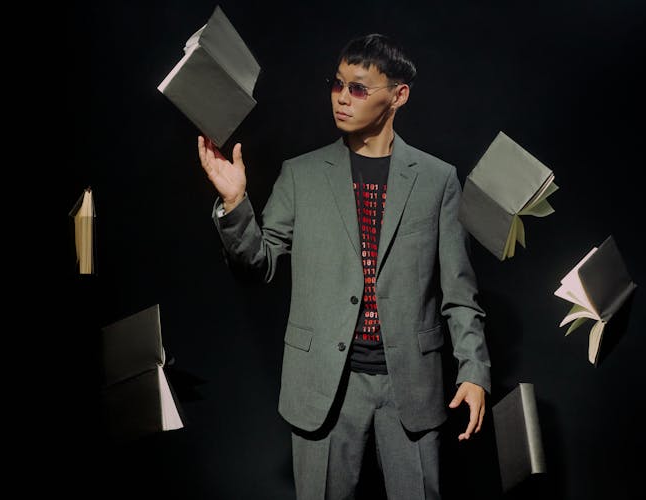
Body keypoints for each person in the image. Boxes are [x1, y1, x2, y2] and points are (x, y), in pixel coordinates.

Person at [198, 33, 491, 500]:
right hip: (324, 386)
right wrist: (235, 203)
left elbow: (459, 293)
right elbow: (260, 265)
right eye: (337, 85)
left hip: (410, 386)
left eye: (357, 88)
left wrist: (473, 370)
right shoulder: (302, 175)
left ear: (398, 95)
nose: (341, 97)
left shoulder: (437, 180)